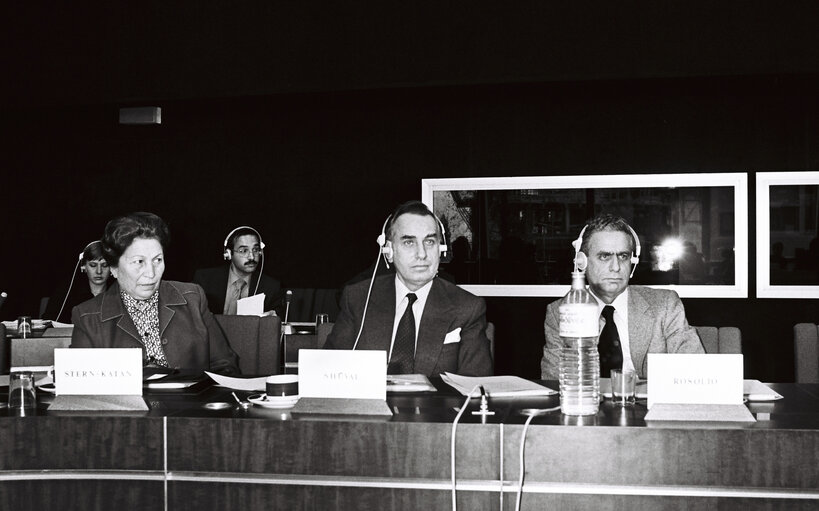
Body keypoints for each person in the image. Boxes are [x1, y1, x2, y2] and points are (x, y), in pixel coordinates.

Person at [325, 201, 493, 377]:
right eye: (409, 242)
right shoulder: (359, 298)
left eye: (429, 241)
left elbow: (476, 385)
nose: (422, 254)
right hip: (369, 404)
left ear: (441, 249)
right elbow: (327, 370)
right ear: (388, 251)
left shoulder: (468, 307)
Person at [71, 212, 240, 375]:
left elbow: (224, 365)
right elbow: (82, 391)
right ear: (114, 268)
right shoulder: (87, 317)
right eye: (139, 262)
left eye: (157, 260)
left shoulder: (193, 298)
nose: (151, 273)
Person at [541, 213, 703, 380]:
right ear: (582, 261)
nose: (616, 267)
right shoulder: (561, 312)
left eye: (623, 256)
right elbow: (553, 382)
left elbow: (694, 369)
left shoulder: (665, 305)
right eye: (604, 256)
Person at [193, 226, 283, 315]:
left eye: (255, 250)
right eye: (243, 251)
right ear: (228, 254)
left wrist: (273, 317)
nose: (252, 257)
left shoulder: (271, 287)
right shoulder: (205, 280)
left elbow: (280, 315)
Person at [43, 241, 111, 323]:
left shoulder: (121, 292)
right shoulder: (66, 291)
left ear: (112, 267)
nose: (99, 271)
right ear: (83, 266)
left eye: (105, 265)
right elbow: (48, 322)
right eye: (93, 265)